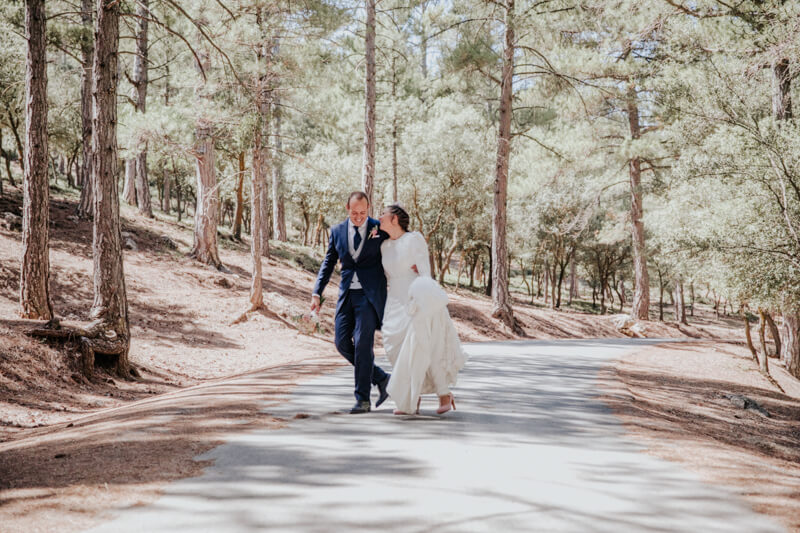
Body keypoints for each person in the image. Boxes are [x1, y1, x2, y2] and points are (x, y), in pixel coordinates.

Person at [378, 204, 467, 415]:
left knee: (424, 346)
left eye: (383, 214)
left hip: (416, 298)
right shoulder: (384, 246)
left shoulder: (413, 239)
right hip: (394, 301)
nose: (379, 217)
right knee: (397, 349)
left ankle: (444, 394)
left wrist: (422, 300)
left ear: (395, 219)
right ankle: (410, 397)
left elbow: (425, 272)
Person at [311, 191, 391, 414]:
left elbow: (398, 243)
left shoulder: (378, 228)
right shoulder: (336, 231)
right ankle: (382, 378)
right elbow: (328, 263)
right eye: (354, 213)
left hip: (370, 296)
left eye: (363, 213)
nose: (358, 217)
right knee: (342, 343)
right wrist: (317, 292)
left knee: (363, 344)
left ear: (369, 209)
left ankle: (362, 400)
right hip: (346, 295)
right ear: (347, 208)